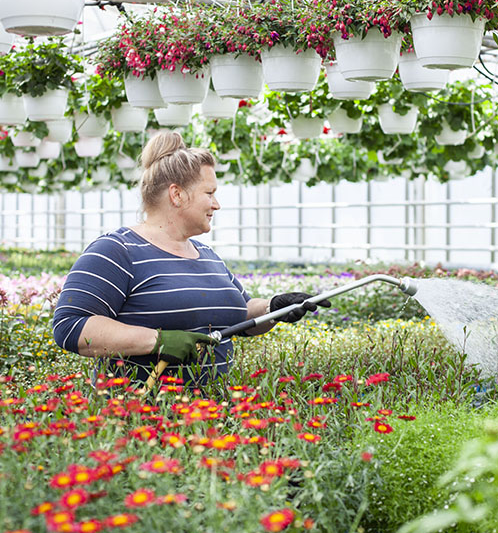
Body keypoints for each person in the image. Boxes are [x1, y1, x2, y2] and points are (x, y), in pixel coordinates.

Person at [53, 130, 330, 388]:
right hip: (143, 419)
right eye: (209, 193)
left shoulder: (206, 255)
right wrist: (157, 341)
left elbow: (237, 314)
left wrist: (273, 307)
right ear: (177, 194)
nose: (217, 204)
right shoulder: (117, 251)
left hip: (214, 416)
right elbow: (70, 326)